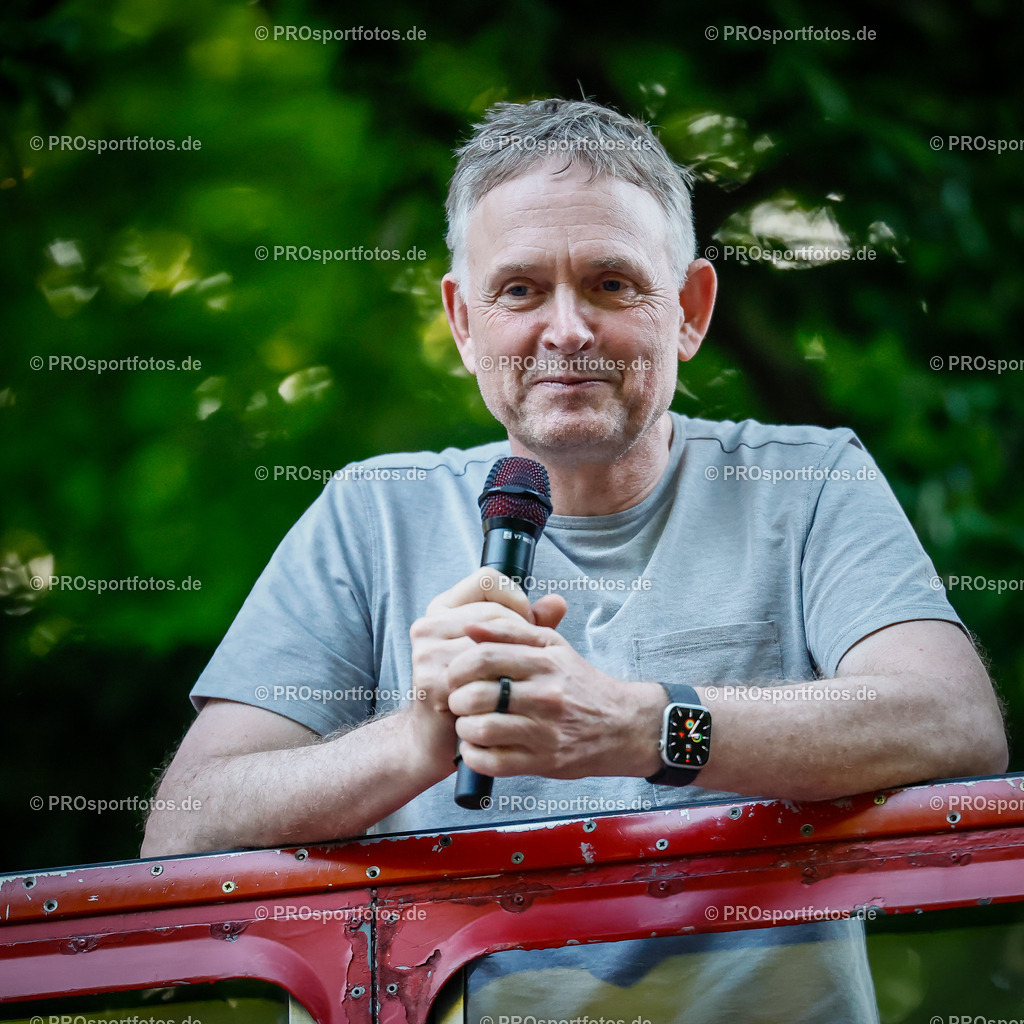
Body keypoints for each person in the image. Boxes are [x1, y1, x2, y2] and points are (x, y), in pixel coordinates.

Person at [142, 98, 1007, 1022]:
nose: (567, 331)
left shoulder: (805, 480)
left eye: (611, 284)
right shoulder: (370, 512)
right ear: (463, 321)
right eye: (519, 290)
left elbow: (954, 722)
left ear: (690, 311)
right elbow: (183, 830)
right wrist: (419, 737)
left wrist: (640, 727)